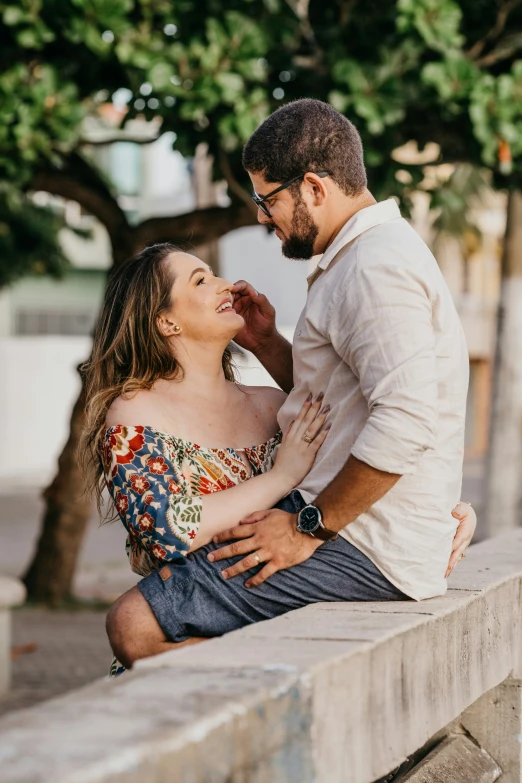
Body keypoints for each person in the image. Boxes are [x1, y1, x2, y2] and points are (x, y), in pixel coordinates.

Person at [82, 98, 475, 670]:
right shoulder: (362, 261)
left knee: (134, 622)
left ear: (314, 188)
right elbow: (346, 408)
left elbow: (406, 419)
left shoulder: (371, 268)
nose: (263, 218)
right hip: (365, 534)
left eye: (268, 199)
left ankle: (277, 688)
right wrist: (268, 344)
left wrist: (309, 527)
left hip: (360, 542)